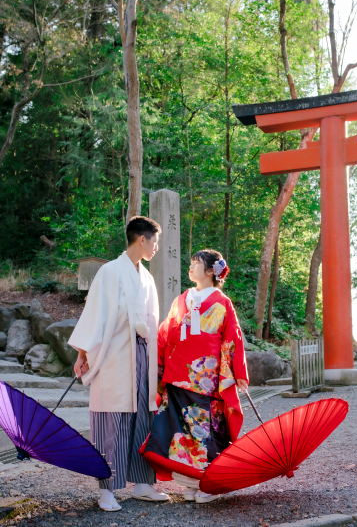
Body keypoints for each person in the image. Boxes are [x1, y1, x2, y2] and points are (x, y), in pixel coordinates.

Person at [67, 216, 169, 512]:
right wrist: (83, 354)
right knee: (112, 421)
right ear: (142, 239)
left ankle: (142, 482)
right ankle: (107, 490)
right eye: (155, 241)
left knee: (142, 419)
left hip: (142, 356)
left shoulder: (146, 277)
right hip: (114, 356)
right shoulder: (110, 272)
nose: (157, 247)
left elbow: (151, 321)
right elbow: (94, 314)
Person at [142, 249, 249, 504]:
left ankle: (209, 484)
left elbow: (232, 338)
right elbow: (165, 333)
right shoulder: (182, 299)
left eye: (196, 264)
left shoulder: (222, 301)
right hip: (179, 372)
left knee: (204, 431)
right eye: (190, 263)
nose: (191, 267)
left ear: (212, 271)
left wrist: (238, 372)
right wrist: (157, 365)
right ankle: (190, 485)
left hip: (206, 375)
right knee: (180, 432)